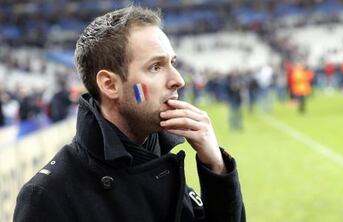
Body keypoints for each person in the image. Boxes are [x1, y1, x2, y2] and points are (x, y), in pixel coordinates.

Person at [14, 6, 245, 222]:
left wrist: (216, 168)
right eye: (156, 66)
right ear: (110, 84)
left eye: (172, 63)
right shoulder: (47, 196)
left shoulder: (161, 160)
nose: (178, 80)